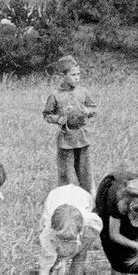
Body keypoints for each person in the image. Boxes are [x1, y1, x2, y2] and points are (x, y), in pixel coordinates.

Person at [30, 183, 102, 275]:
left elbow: (83, 244)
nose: (65, 241)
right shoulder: (48, 233)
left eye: (69, 238)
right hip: (56, 197)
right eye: (62, 238)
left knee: (79, 257)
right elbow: (43, 271)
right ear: (53, 230)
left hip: (81, 197)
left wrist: (67, 257)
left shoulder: (91, 223)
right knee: (51, 261)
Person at [42, 55, 97, 192]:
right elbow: (47, 115)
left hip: (82, 136)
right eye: (73, 75)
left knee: (85, 171)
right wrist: (58, 119)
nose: (77, 77)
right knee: (66, 172)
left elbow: (94, 108)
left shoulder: (83, 91)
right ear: (63, 76)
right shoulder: (55, 95)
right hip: (66, 137)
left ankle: (88, 198)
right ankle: (67, 198)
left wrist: (87, 111)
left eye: (78, 74)